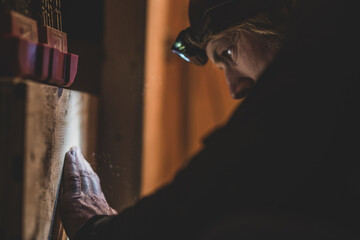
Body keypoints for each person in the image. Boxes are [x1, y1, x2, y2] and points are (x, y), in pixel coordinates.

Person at [60, 0, 360, 239]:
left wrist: (98, 232)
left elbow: (221, 182)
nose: (234, 89)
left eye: (227, 52)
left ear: (276, 17)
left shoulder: (332, 35)